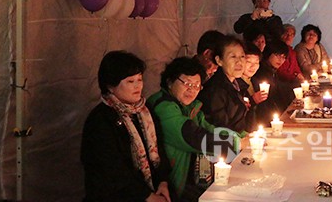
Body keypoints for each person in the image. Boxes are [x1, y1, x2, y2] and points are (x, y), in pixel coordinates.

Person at [148, 57, 243, 201]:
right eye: (187, 83)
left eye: (197, 85)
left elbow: (209, 129)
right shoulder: (163, 107)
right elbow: (193, 137)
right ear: (169, 82)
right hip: (172, 183)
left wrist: (242, 136)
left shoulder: (190, 107)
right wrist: (236, 143)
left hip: (193, 177)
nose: (192, 90)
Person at [81, 51, 171, 202]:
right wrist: (147, 196)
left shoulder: (145, 111)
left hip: (151, 191)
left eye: (140, 79)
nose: (138, 86)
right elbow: (110, 170)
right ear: (110, 86)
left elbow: (159, 148)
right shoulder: (100, 120)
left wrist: (163, 181)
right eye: (130, 81)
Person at [198, 35, 249, 134]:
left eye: (242, 56)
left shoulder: (236, 84)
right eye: (233, 56)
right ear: (219, 60)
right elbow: (221, 128)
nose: (239, 61)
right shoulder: (215, 90)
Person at [253, 40, 295, 125]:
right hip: (265, 120)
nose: (281, 60)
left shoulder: (272, 71)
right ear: (268, 53)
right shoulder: (261, 72)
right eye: (277, 55)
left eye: (283, 57)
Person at [237, 43, 268, 130]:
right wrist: (253, 100)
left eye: (256, 63)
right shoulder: (235, 83)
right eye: (248, 62)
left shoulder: (255, 81)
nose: (253, 66)